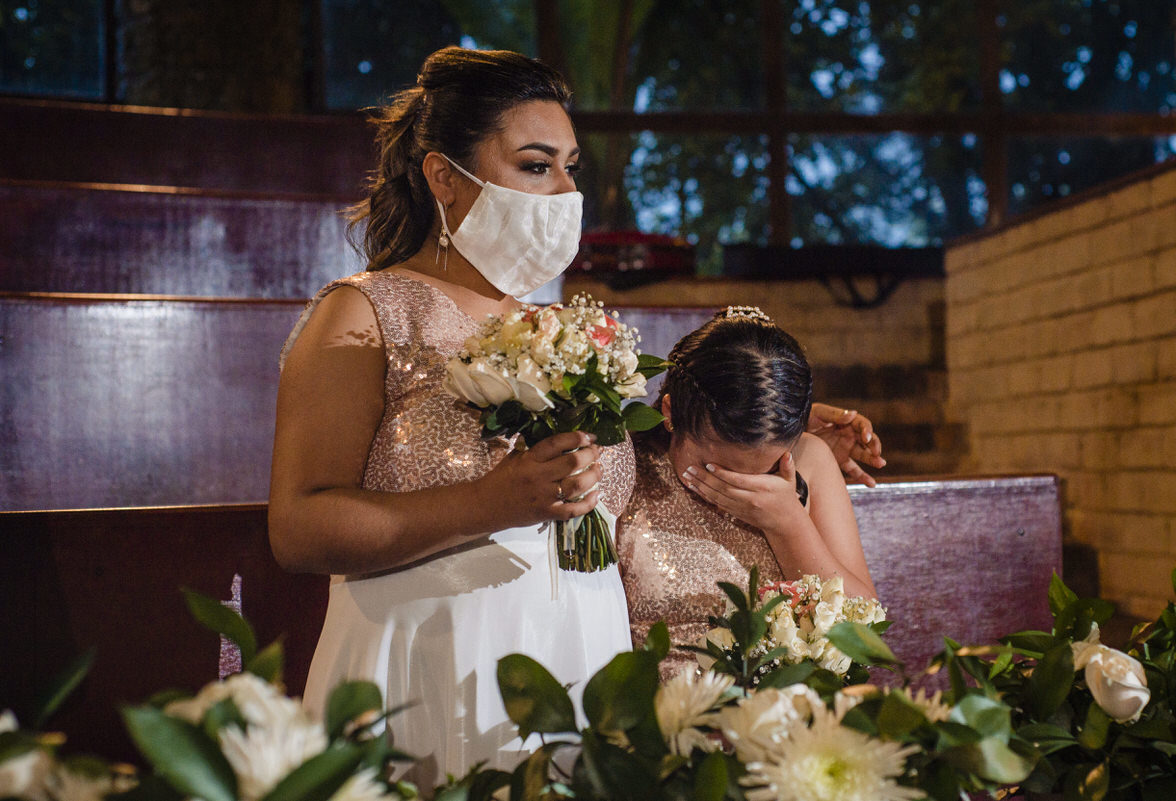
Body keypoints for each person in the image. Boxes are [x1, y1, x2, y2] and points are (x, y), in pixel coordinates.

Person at [268, 47, 634, 793]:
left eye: (571, 168)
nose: (566, 192)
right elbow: (299, 528)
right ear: (444, 176)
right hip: (430, 657)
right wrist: (489, 503)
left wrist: (792, 435)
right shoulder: (365, 313)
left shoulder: (564, 330)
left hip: (578, 651)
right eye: (536, 166)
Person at [619, 308, 878, 677]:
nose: (743, 489)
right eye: (718, 469)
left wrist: (788, 524)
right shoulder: (626, 467)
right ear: (671, 412)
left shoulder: (809, 458)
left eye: (767, 472)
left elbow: (866, 633)